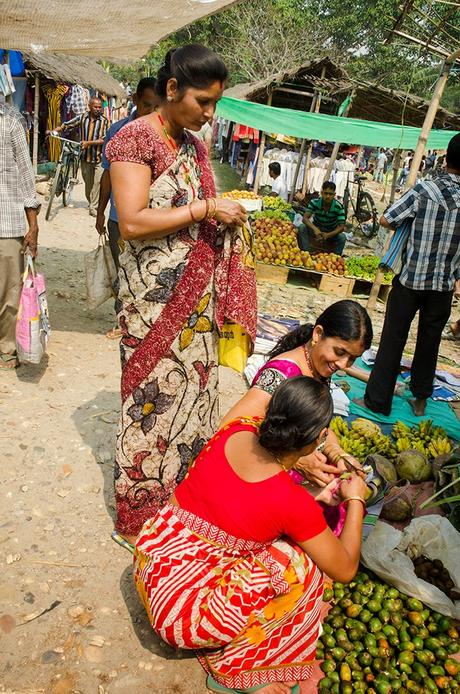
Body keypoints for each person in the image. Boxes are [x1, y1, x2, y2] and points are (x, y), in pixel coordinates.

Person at [105, 44, 256, 545]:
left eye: (216, 105)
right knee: (151, 405)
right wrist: (206, 209)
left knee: (192, 401)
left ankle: (177, 507)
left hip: (198, 307)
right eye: (203, 102)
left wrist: (220, 212)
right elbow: (131, 222)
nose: (210, 115)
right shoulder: (135, 139)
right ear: (172, 90)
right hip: (153, 303)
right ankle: (138, 517)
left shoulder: (193, 146)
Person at [134, 377, 367, 694]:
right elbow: (345, 569)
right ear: (316, 441)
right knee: (303, 566)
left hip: (151, 563)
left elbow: (242, 505)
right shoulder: (291, 501)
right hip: (181, 617)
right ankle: (240, 668)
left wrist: (311, 496)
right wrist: (356, 500)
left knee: (278, 540)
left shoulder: (238, 428)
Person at [361, 133, 460, 418]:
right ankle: (420, 398)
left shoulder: (425, 189)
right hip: (442, 287)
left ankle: (377, 402)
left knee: (394, 339)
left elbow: (386, 218)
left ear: (445, 159)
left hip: (410, 281)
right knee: (430, 342)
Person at [222, 300, 373, 487]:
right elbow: (231, 426)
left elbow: (316, 425)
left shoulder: (318, 368)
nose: (343, 365)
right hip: (255, 477)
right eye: (339, 352)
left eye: (352, 359)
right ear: (318, 334)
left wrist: (337, 453)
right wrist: (297, 460)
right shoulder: (281, 374)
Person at [96, 77, 158, 339]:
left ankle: (141, 321)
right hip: (118, 218)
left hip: (151, 220)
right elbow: (107, 175)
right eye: (146, 105)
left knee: (145, 271)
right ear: (135, 101)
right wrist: (100, 212)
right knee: (122, 270)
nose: (151, 113)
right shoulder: (118, 131)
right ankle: (121, 321)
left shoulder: (161, 136)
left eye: (156, 107)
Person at [0, 101, 40, 370]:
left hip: (7, 224)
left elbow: (26, 177)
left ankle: (6, 347)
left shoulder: (11, 122)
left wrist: (33, 225)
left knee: (9, 293)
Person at [48, 97, 109, 217]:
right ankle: (91, 201)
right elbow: (67, 125)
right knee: (88, 184)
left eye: (99, 107)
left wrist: (88, 143)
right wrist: (55, 130)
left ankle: (94, 208)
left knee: (97, 183)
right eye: (95, 107)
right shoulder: (82, 117)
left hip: (99, 157)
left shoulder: (104, 121)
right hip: (85, 157)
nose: (98, 109)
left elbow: (104, 139)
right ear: (89, 107)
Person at [296, 180, 346, 255]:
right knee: (302, 228)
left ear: (334, 195)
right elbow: (305, 219)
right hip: (317, 229)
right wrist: (315, 229)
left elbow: (341, 227)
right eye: (326, 193)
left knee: (342, 237)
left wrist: (328, 235)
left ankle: (335, 258)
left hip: (331, 232)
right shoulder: (314, 202)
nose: (328, 196)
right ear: (322, 193)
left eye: (330, 194)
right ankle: (306, 253)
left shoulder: (338, 207)